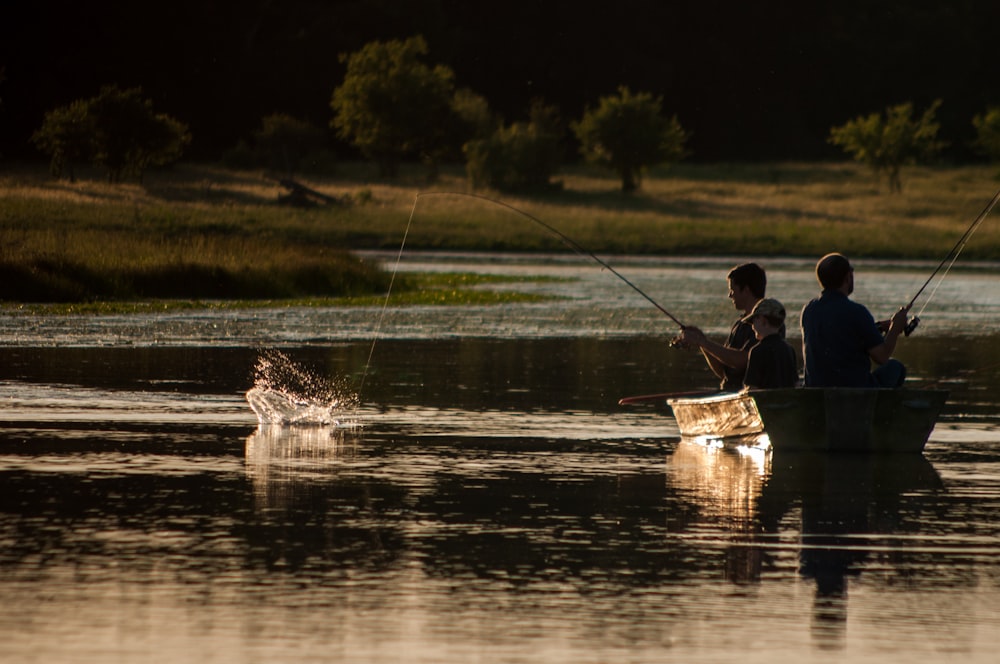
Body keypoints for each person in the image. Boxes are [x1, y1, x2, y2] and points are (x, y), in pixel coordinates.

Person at [800, 253, 908, 388]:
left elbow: (839, 335)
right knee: (895, 368)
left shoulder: (809, 310)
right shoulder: (857, 311)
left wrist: (878, 327)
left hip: (816, 390)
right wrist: (895, 328)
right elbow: (882, 357)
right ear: (848, 277)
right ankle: (879, 409)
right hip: (855, 392)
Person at [677, 262, 785, 391]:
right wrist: (701, 342)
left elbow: (742, 361)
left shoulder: (768, 323)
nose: (730, 295)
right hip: (730, 392)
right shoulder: (739, 325)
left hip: (752, 395)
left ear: (746, 290)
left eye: (732, 290)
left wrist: (703, 342)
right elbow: (724, 371)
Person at [741, 298, 799, 389]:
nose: (752, 327)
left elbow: (752, 388)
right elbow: (795, 384)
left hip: (764, 402)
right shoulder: (789, 350)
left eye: (753, 321)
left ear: (763, 321)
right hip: (787, 401)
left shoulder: (757, 351)